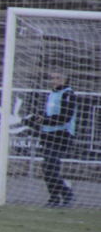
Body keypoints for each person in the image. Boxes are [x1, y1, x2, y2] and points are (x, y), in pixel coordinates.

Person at [33, 71, 77, 208]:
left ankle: (60, 196)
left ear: (64, 78)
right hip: (48, 134)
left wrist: (44, 120)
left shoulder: (68, 94)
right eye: (52, 78)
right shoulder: (51, 93)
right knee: (47, 168)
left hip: (61, 134)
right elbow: (48, 113)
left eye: (57, 78)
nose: (54, 81)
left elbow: (65, 117)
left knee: (50, 167)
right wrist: (38, 117)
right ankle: (58, 196)